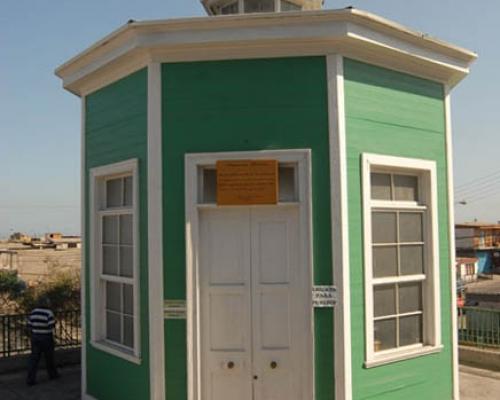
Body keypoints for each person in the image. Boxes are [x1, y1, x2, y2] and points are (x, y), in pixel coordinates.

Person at [26, 296, 60, 386]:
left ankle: (30, 379)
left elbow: (29, 325)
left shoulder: (33, 312)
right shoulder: (49, 313)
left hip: (35, 337)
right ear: (47, 303)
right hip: (46, 337)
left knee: (34, 359)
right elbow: (51, 326)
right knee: (49, 358)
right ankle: (52, 375)